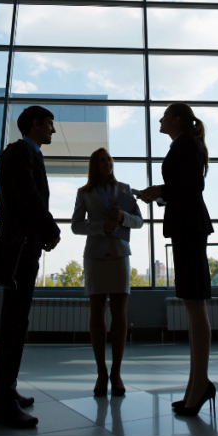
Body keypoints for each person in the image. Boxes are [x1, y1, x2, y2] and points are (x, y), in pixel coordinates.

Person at [135, 103, 215, 416]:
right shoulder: (183, 145)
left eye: (165, 115)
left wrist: (160, 190)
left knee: (195, 304)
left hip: (190, 227)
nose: (160, 119)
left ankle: (199, 384)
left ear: (177, 119)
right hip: (187, 226)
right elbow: (184, 188)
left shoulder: (187, 145)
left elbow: (194, 186)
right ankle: (196, 384)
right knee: (192, 303)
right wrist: (160, 194)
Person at [0, 105, 62, 429]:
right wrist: (51, 228)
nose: (53, 130)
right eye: (49, 124)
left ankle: (6, 388)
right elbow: (29, 198)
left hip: (22, 248)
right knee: (15, 322)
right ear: (35, 124)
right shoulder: (20, 153)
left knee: (15, 320)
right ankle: (1, 400)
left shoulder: (24, 154)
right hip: (19, 251)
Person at [71, 148, 144, 397]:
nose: (107, 164)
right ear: (94, 165)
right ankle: (101, 372)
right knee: (97, 314)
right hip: (95, 256)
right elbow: (76, 226)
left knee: (120, 315)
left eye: (109, 160)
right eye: (102, 160)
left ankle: (117, 372)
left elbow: (140, 220)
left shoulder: (124, 189)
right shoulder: (84, 192)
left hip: (120, 255)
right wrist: (102, 227)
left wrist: (123, 216)